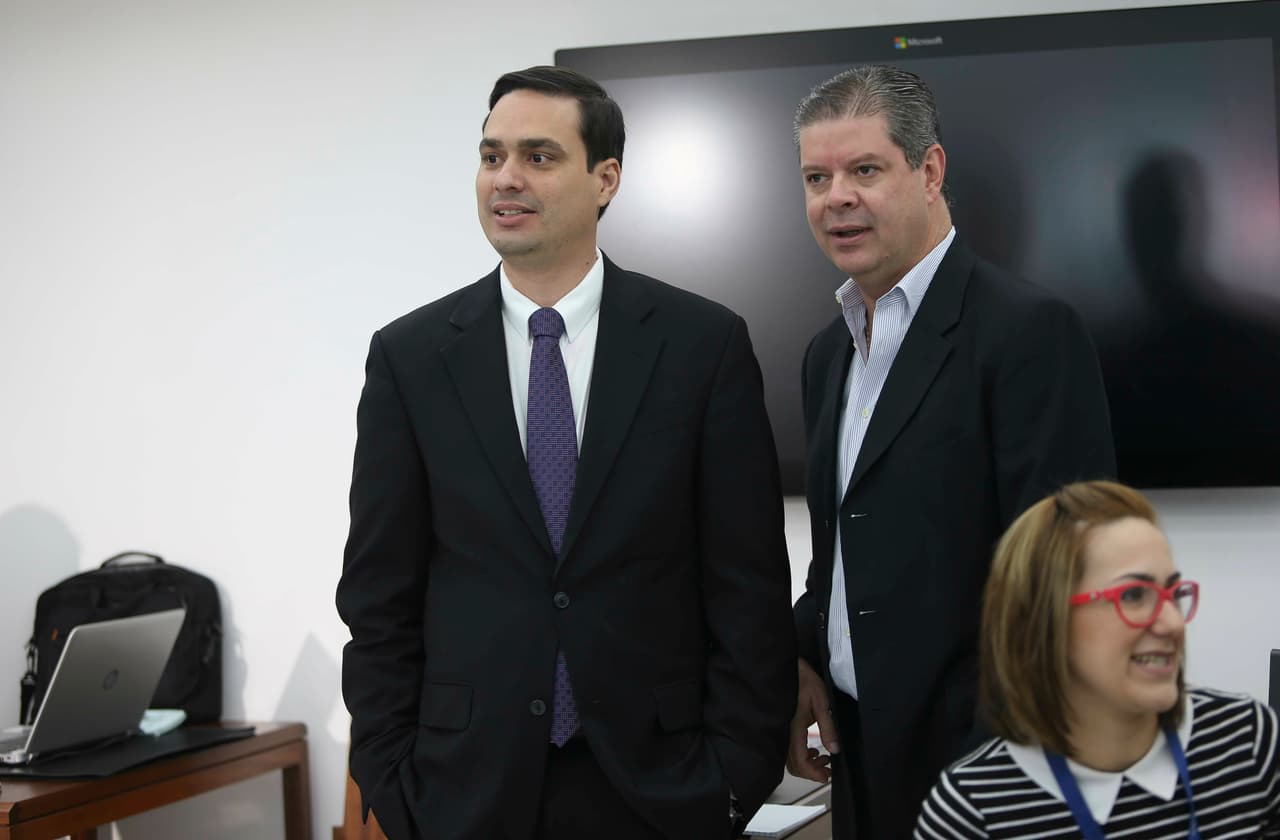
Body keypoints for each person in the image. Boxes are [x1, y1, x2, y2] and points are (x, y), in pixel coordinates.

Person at [335, 65, 796, 840]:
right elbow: (380, 591)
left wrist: (733, 776)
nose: (506, 178)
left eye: (538, 156)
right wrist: (392, 778)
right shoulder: (410, 358)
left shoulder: (700, 346)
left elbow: (746, 584)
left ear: (605, 178)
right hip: (463, 791)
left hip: (659, 787)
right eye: (491, 156)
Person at [785, 64, 1116, 838]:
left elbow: (1062, 583)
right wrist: (802, 655)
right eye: (816, 177)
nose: (836, 198)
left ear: (929, 171)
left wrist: (995, 770)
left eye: (865, 170)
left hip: (983, 767)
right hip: (859, 759)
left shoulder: (1028, 332)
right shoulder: (826, 354)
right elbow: (844, 546)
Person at [915, 480, 1280, 837]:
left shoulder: (1246, 739)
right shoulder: (972, 813)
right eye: (1134, 595)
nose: (1172, 623)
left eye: (1172, 593)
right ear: (1047, 621)